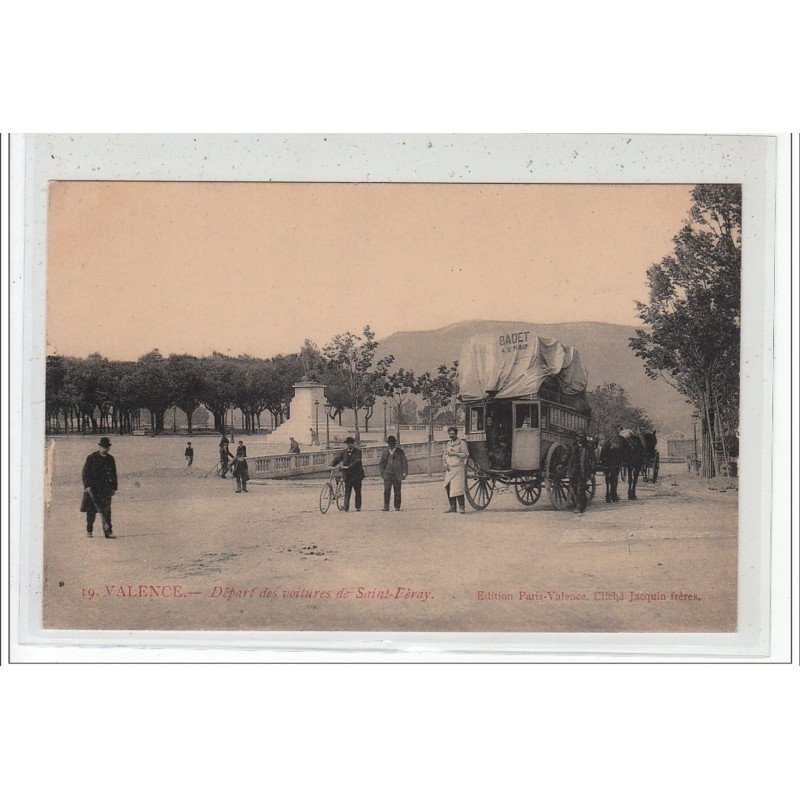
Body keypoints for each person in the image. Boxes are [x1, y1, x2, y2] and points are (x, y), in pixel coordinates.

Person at [80, 436, 118, 538]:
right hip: (93, 488)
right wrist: (87, 485)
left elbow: (114, 474)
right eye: (103, 447)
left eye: (107, 448)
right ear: (99, 447)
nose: (105, 450)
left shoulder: (111, 459)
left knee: (106, 511)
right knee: (91, 511)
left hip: (106, 489)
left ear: (109, 448)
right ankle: (89, 530)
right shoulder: (91, 458)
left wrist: (114, 488)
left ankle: (108, 532)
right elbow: (85, 473)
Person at [331, 436, 364, 511]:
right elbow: (337, 459)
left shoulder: (358, 452)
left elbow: (357, 461)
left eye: (351, 444)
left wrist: (349, 466)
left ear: (353, 444)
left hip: (357, 475)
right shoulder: (344, 452)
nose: (349, 445)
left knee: (357, 492)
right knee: (347, 491)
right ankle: (346, 507)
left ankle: (358, 507)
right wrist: (331, 465)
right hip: (348, 475)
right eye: (348, 444)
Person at [442, 426, 469, 513]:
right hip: (449, 469)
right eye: (450, 434)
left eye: (453, 434)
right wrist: (445, 464)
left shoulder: (462, 443)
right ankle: (452, 507)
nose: (451, 435)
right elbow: (444, 456)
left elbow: (465, 454)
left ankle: (462, 507)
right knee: (448, 487)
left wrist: (454, 453)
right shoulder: (448, 444)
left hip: (458, 468)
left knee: (458, 488)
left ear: (456, 434)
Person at [379, 435, 408, 511]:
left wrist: (404, 472)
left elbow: (404, 462)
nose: (391, 445)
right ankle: (386, 506)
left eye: (392, 443)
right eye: (389, 444)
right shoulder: (385, 452)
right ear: (388, 444)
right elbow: (381, 463)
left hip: (397, 475)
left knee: (397, 491)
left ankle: (397, 506)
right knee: (386, 491)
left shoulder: (400, 452)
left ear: (395, 444)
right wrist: (383, 473)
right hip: (387, 475)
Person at [567, 431, 592, 514]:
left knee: (580, 489)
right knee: (574, 488)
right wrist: (561, 463)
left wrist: (593, 470)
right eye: (578, 436)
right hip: (574, 470)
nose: (579, 438)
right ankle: (583, 502)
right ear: (576, 437)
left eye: (581, 437)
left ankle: (578, 506)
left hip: (583, 470)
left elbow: (593, 459)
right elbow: (567, 455)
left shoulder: (588, 446)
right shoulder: (573, 446)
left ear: (584, 437)